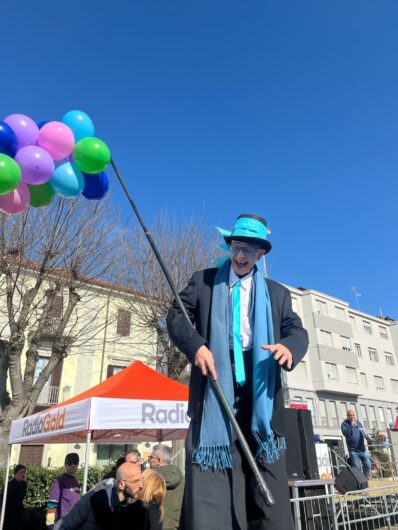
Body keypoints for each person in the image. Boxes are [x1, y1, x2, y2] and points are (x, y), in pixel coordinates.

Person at [167, 213, 309, 530]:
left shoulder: (277, 293)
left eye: (249, 250)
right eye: (237, 247)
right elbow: (177, 315)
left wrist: (289, 347)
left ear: (261, 254)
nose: (241, 256)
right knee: (212, 476)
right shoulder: (203, 281)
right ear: (230, 246)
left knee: (266, 479)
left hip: (261, 388)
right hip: (216, 382)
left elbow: (297, 331)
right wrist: (196, 345)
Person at [56, 462, 145, 530]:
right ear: (121, 484)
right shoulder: (95, 496)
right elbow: (63, 525)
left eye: (141, 480)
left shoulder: (131, 504)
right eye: (135, 481)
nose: (141, 485)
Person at [148, 444, 184, 530]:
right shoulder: (182, 478)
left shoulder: (150, 478)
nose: (148, 460)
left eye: (150, 457)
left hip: (156, 526)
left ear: (158, 460)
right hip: (177, 525)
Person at [47, 453, 80, 528]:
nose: (72, 465)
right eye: (69, 462)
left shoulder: (75, 481)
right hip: (62, 524)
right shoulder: (59, 482)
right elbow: (52, 504)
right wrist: (50, 524)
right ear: (65, 465)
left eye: (75, 462)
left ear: (78, 464)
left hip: (74, 523)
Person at [341, 409, 372, 479]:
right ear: (347, 416)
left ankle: (365, 480)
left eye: (353, 415)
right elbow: (346, 434)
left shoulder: (359, 423)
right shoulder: (344, 424)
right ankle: (360, 482)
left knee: (368, 465)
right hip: (353, 450)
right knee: (357, 468)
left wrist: (367, 437)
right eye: (350, 415)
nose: (352, 417)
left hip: (362, 449)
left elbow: (362, 432)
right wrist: (351, 426)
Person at [1, 464, 27, 530]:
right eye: (21, 472)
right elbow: (2, 500)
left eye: (24, 472)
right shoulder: (8, 485)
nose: (23, 474)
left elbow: (21, 497)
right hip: (8, 513)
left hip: (19, 513)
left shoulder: (24, 484)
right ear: (16, 473)